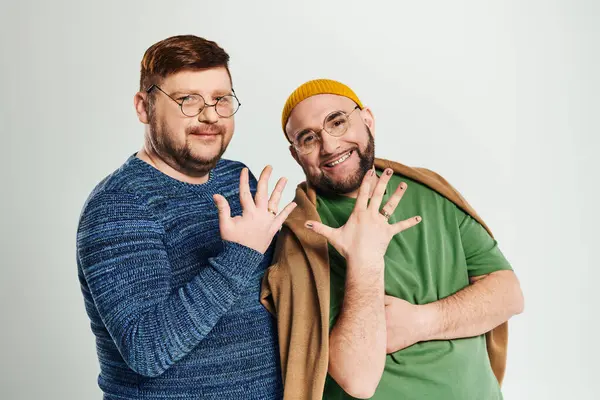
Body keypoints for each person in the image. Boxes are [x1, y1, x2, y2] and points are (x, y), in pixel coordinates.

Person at [261, 79, 524, 399]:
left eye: (338, 122)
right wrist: (365, 262)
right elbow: (357, 379)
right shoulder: (300, 237)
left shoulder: (430, 191)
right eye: (309, 138)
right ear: (296, 153)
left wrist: (421, 321)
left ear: (367, 120)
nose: (329, 146)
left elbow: (508, 294)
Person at [76, 35, 295, 399]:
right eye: (187, 100)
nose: (209, 115)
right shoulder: (119, 205)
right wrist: (241, 255)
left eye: (221, 100)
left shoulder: (236, 179)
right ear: (143, 107)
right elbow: (147, 350)